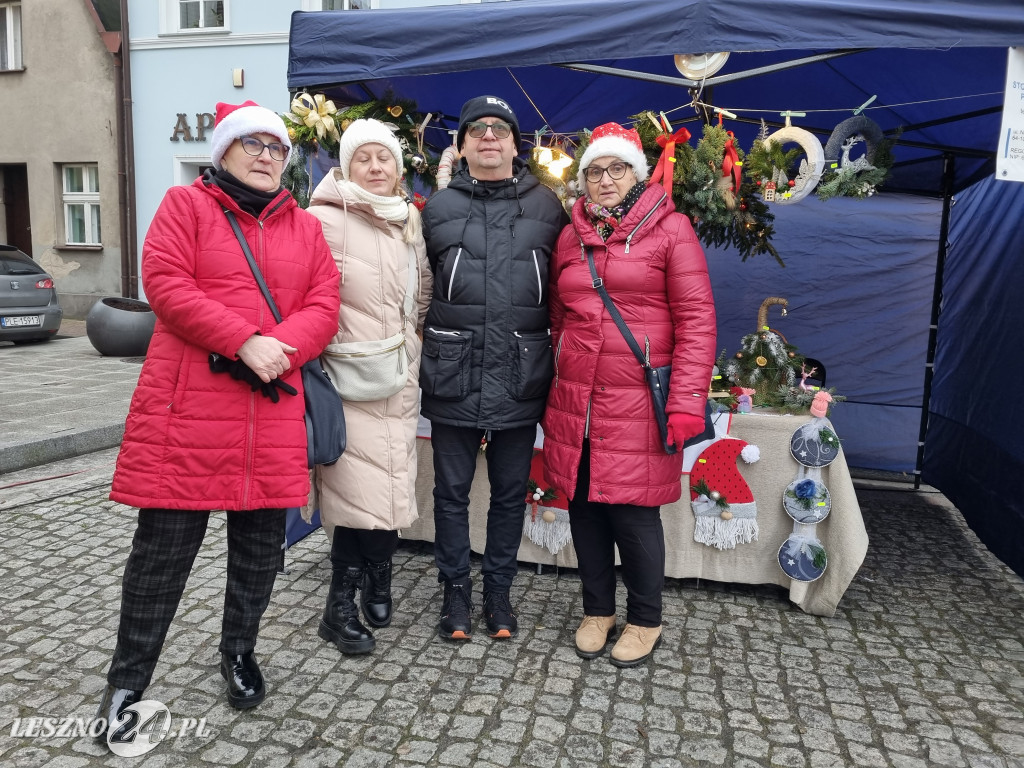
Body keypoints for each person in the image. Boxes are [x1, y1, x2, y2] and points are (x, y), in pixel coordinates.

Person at [96, 100, 340, 738]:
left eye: (276, 148)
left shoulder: (305, 227)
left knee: (259, 552)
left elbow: (324, 304)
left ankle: (239, 651)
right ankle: (129, 677)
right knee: (162, 554)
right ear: (225, 151)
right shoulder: (186, 207)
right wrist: (245, 341)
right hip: (190, 411)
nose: (267, 156)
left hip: (270, 405)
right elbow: (166, 285)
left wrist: (281, 348)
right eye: (253, 144)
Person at [541, 122, 716, 667]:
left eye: (617, 169)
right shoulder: (571, 236)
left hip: (638, 399)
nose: (605, 180)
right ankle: (598, 610)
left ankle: (645, 617)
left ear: (636, 174)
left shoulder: (672, 229)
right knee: (585, 507)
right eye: (594, 171)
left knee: (634, 514)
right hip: (578, 397)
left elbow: (697, 318)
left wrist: (686, 399)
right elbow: (556, 316)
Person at [420, 95, 568, 641]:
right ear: (460, 146)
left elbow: (564, 292)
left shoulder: (548, 208)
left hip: (519, 371)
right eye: (476, 129)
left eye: (499, 129)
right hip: (453, 370)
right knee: (450, 492)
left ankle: (498, 592)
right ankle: (456, 591)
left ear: (514, 143)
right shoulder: (437, 209)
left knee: (511, 492)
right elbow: (417, 291)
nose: (488, 136)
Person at [306, 119, 432, 655]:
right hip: (347, 379)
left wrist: (412, 341)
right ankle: (339, 604)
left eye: (385, 159)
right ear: (346, 165)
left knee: (391, 485)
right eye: (365, 159)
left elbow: (420, 291)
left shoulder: (408, 221)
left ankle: (379, 574)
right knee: (354, 492)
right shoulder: (321, 219)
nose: (376, 167)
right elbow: (306, 294)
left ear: (399, 170)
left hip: (399, 376)